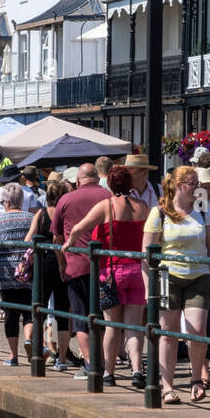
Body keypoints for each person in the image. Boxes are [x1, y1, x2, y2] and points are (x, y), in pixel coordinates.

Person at [66, 166, 149, 387]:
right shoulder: (143, 207)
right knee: (133, 326)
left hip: (111, 272)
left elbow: (78, 228)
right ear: (130, 184)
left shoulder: (107, 206)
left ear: (110, 185)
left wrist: (69, 244)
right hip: (136, 271)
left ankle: (109, 373)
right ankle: (137, 370)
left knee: (112, 325)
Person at [142, 166, 210, 403]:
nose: (196, 187)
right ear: (176, 185)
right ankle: (167, 386)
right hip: (168, 276)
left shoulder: (204, 210)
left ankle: (196, 379)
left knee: (197, 331)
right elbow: (147, 253)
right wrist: (148, 286)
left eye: (197, 183)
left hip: (199, 274)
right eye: (190, 182)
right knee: (168, 333)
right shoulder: (160, 212)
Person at [51, 163, 112, 379]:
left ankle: (89, 364)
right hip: (106, 265)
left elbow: (57, 237)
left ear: (78, 180)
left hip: (75, 264)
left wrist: (61, 263)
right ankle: (103, 362)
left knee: (81, 317)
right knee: (104, 316)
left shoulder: (66, 200)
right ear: (97, 177)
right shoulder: (108, 196)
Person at [0, 184, 36, 364]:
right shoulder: (31, 217)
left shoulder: (0, 218)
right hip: (27, 270)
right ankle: (29, 339)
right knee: (29, 310)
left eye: (2, 202)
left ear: (7, 202)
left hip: (6, 271)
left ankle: (13, 355)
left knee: (11, 314)